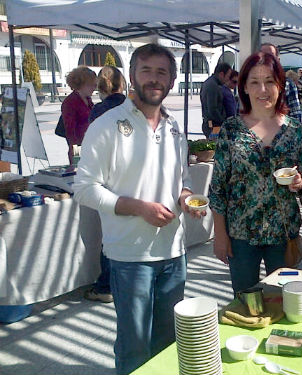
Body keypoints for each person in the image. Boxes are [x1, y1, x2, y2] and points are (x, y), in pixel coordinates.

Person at [74, 43, 204, 375]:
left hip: (174, 254)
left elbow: (182, 179)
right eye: (146, 70)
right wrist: (138, 208)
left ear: (172, 80)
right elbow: (84, 189)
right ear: (132, 76)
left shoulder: (174, 128)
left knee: (167, 343)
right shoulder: (106, 126)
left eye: (162, 72)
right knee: (134, 346)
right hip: (130, 258)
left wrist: (186, 198)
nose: (154, 79)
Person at [209, 52, 302, 293]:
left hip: (283, 233)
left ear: (280, 85)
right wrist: (220, 234)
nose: (262, 89)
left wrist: (300, 181)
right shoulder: (231, 129)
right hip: (241, 235)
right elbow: (218, 188)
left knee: (286, 300)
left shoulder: (295, 130)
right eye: (254, 82)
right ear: (244, 86)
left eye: (269, 81)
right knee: (246, 304)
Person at [82, 66, 127, 304]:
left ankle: (106, 285)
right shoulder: (130, 106)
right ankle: (115, 282)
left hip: (107, 178)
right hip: (127, 176)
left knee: (110, 233)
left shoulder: (99, 111)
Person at [61, 66, 97, 165]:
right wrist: (76, 159)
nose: (94, 88)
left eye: (95, 85)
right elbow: (70, 132)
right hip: (79, 148)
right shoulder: (70, 102)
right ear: (81, 84)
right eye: (90, 85)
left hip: (90, 146)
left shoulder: (88, 100)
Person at [260, 43, 302, 122]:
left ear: (277, 60)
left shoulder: (288, 84)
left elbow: (296, 116)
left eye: (270, 56)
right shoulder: (250, 84)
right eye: (263, 55)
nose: (266, 59)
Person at [200, 62, 232, 139]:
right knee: (217, 147)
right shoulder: (213, 86)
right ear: (221, 74)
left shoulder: (211, 83)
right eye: (228, 76)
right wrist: (223, 123)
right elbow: (212, 109)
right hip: (214, 126)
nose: (228, 79)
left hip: (213, 125)